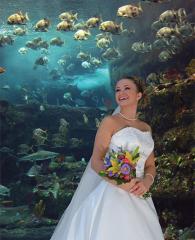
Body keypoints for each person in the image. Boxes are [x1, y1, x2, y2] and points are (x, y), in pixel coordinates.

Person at [50, 76, 164, 240]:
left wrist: (146, 183)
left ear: (139, 95)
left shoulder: (146, 127)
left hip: (140, 192)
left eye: (126, 88)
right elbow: (97, 161)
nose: (121, 92)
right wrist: (123, 183)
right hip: (113, 191)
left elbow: (150, 165)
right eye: (117, 90)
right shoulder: (109, 122)